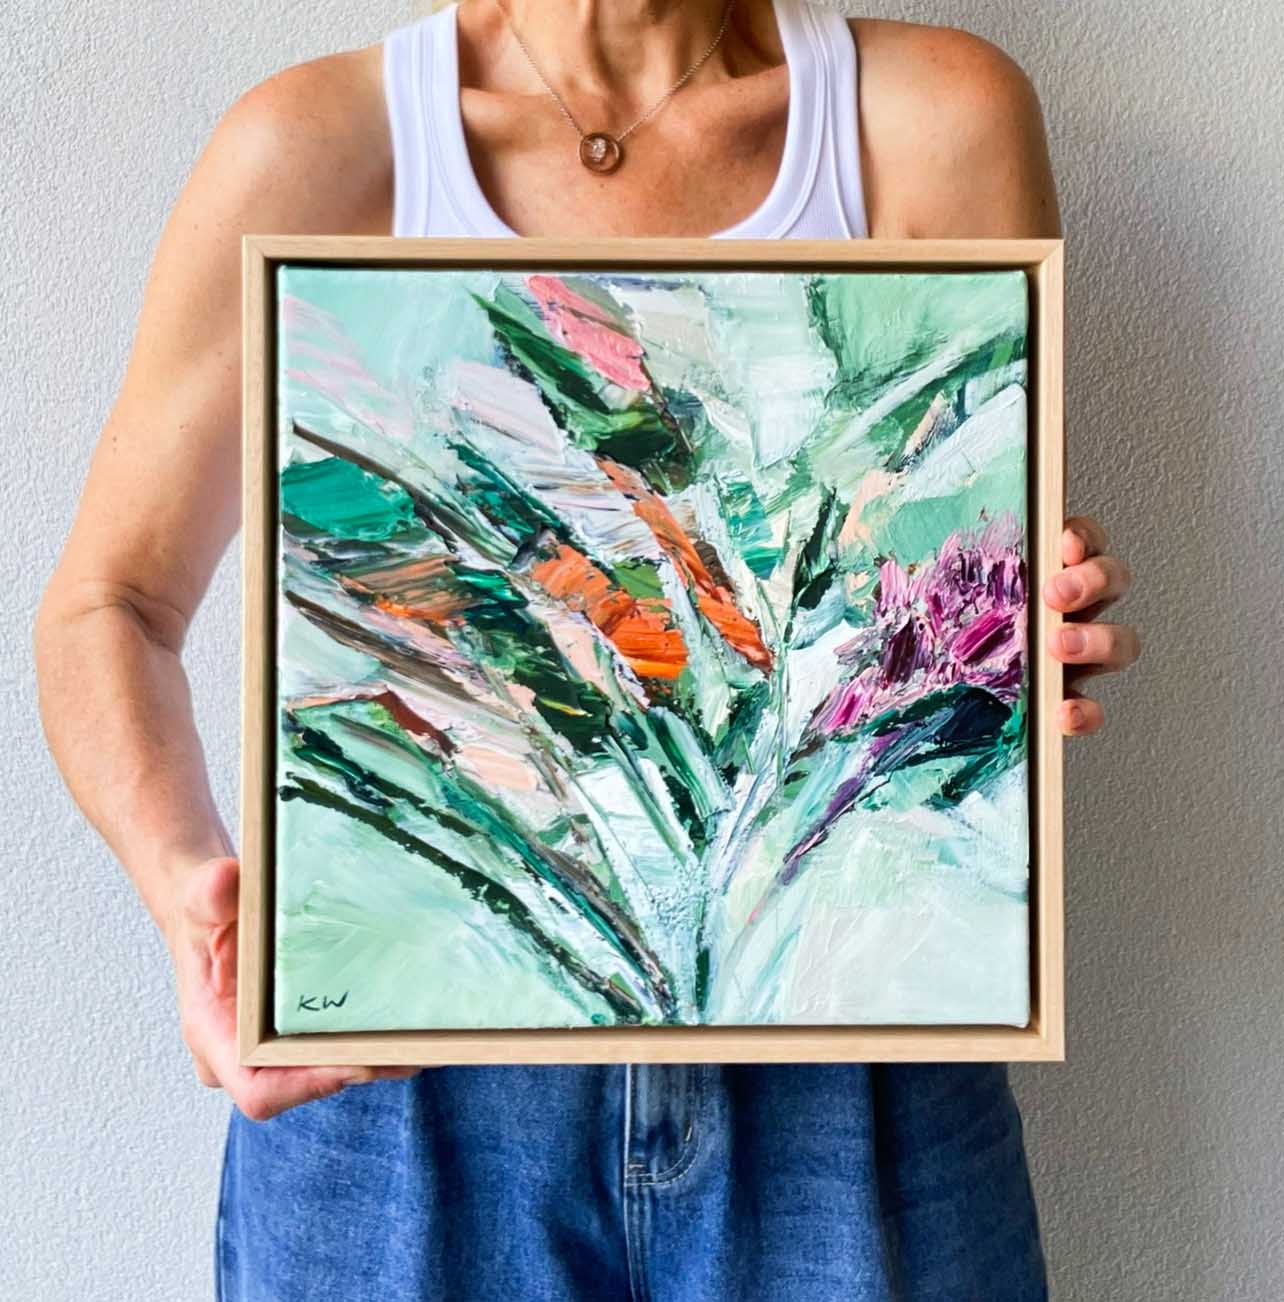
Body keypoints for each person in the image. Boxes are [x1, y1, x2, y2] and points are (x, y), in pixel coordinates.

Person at [33, 0, 1141, 1297]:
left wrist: (1016, 653)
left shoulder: (928, 122)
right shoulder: (322, 146)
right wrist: (187, 893)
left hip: (846, 1061)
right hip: (403, 1072)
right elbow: (108, 604)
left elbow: (964, 582)